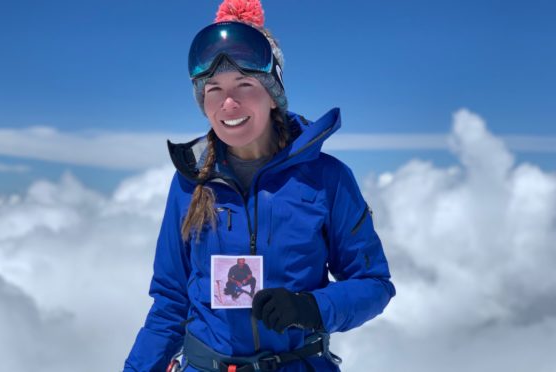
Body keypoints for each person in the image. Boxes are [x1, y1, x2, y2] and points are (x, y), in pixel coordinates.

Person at [124, 1, 395, 371]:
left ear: (273, 94)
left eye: (245, 84)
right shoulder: (190, 182)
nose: (229, 103)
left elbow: (374, 283)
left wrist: (312, 307)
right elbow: (171, 301)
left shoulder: (327, 179)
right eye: (214, 88)